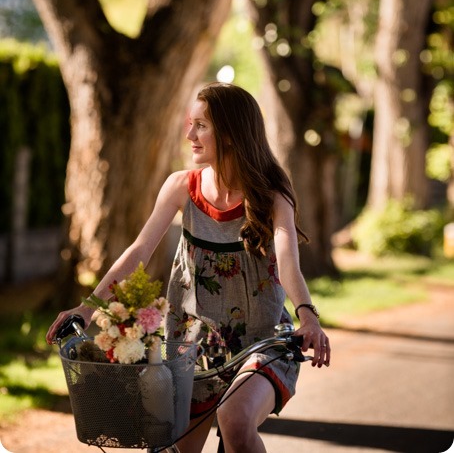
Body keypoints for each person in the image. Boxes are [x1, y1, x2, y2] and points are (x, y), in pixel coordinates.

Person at [47, 82, 330, 453]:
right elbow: (138, 253)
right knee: (173, 446)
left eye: (201, 125)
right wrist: (88, 309)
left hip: (261, 343)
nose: (189, 135)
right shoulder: (181, 186)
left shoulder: (271, 196)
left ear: (230, 134)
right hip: (190, 349)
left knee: (235, 419)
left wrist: (307, 315)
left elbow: (289, 262)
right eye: (190, 123)